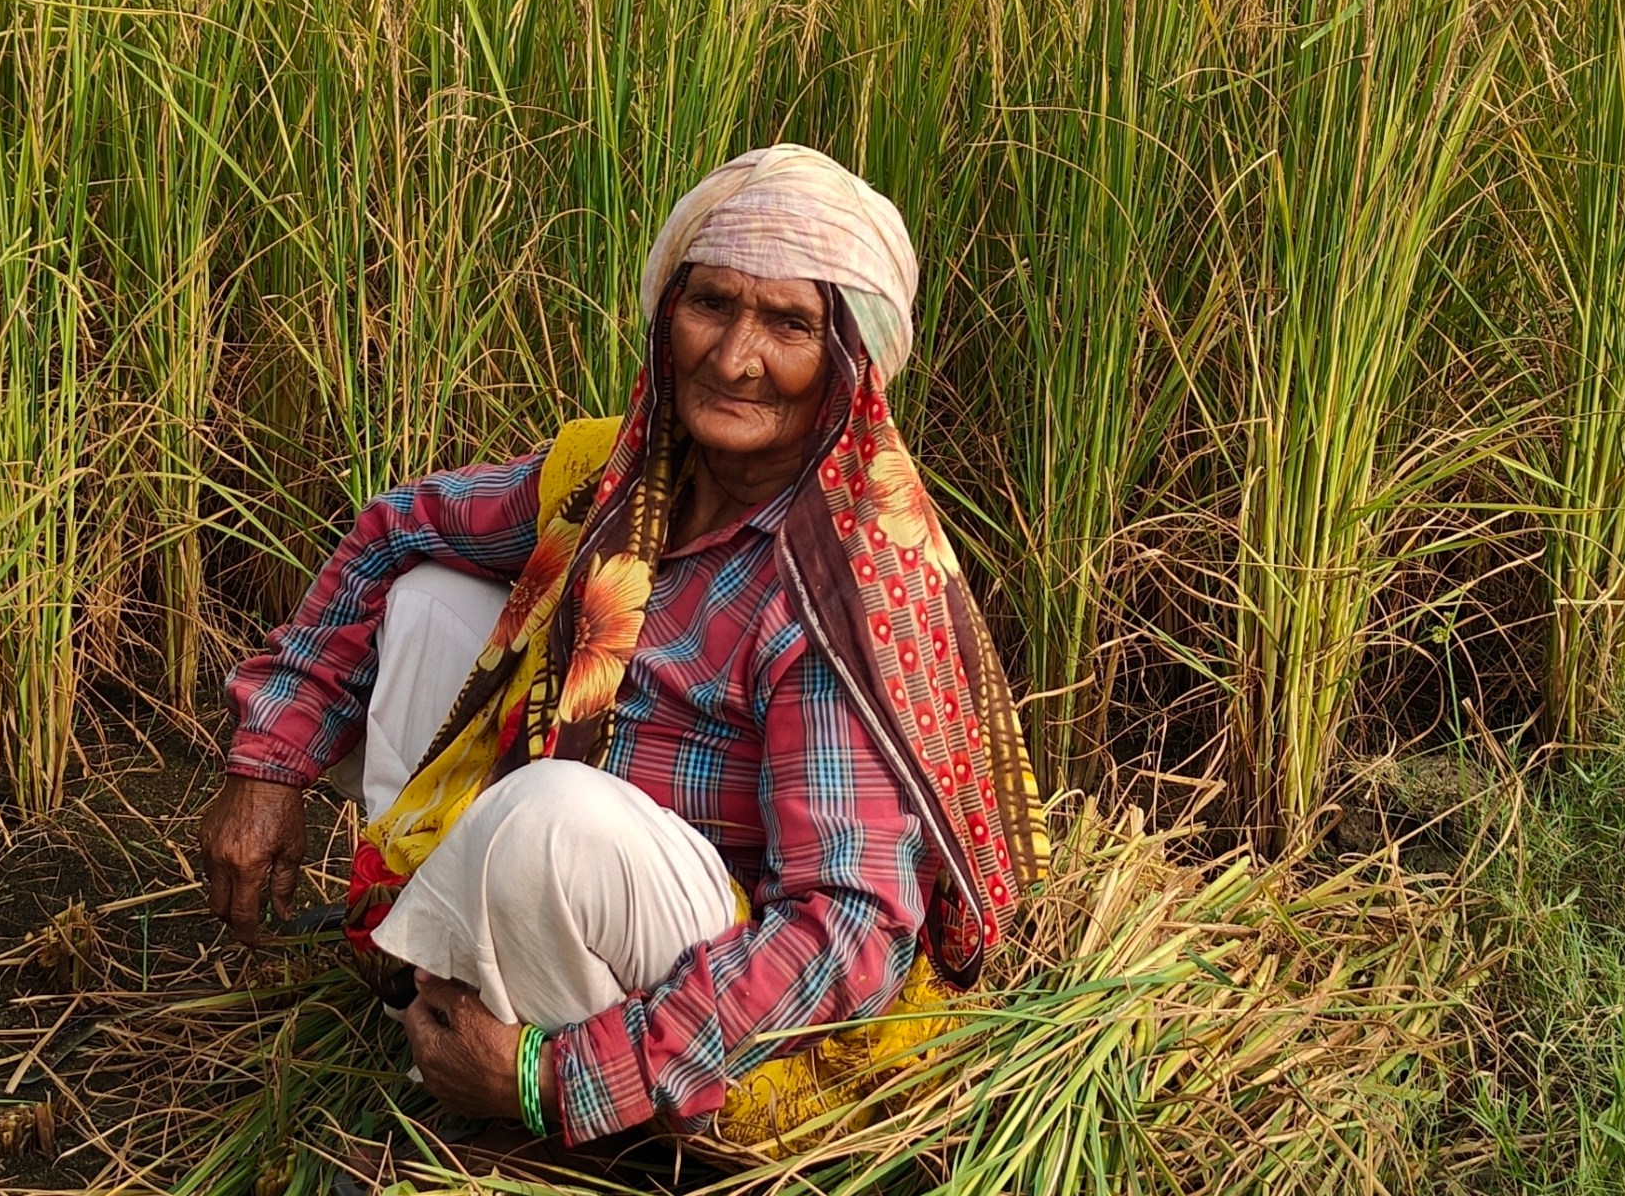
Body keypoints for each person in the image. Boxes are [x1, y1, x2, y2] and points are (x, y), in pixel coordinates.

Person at [196, 144, 1048, 1149]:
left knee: (551, 817)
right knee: (428, 599)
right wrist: (267, 766)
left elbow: (848, 930)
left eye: (789, 325)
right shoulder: (620, 475)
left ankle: (553, 1098)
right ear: (665, 318)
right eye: (711, 306)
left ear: (847, 365)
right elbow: (395, 527)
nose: (734, 358)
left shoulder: (835, 588)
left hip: (736, 966)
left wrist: (554, 1078)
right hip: (606, 866)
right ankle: (423, 989)